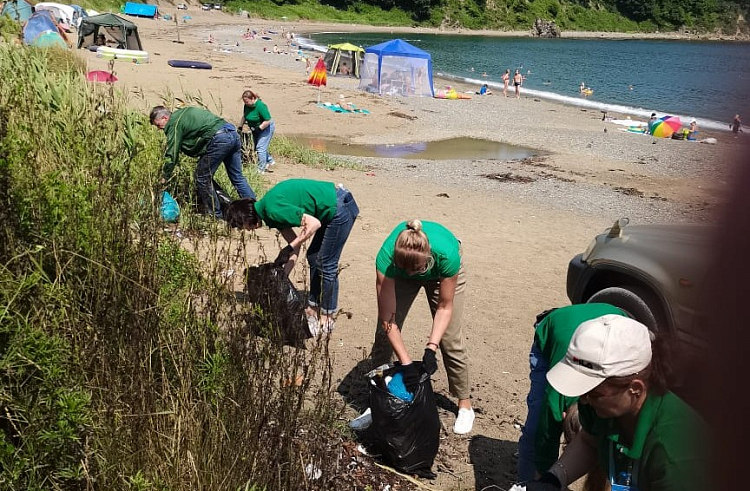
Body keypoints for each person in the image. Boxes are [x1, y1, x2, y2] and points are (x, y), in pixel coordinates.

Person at [525, 315, 708, 491]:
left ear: (635, 388)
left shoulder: (675, 455)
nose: (583, 399)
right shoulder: (601, 406)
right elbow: (590, 441)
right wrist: (554, 479)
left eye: (592, 393)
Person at [367, 220, 475, 434]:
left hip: (439, 274)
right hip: (403, 268)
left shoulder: (446, 256)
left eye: (417, 270)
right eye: (407, 270)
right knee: (382, 337)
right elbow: (388, 318)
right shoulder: (387, 259)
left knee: (450, 340)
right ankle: (376, 400)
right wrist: (406, 363)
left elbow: (445, 307)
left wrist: (430, 348)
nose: (414, 275)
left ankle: (465, 404)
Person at [224, 179, 359, 334]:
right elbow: (295, 248)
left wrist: (288, 247)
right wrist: (281, 276)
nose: (247, 230)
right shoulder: (269, 213)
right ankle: (313, 307)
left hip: (340, 207)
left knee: (326, 263)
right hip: (330, 208)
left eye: (243, 227)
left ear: (246, 219)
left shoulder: (273, 209)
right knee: (314, 257)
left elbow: (313, 224)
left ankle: (328, 316)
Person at [517, 303, 628, 482]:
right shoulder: (556, 398)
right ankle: (523, 483)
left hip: (614, 323)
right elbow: (544, 451)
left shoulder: (618, 398)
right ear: (562, 415)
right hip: (557, 325)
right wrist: (541, 483)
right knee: (535, 432)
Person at [149, 106, 255, 219]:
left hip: (219, 138)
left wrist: (165, 175)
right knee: (237, 177)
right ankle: (254, 210)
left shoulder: (173, 123)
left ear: (165, 118)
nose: (159, 129)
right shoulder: (182, 114)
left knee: (202, 177)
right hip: (232, 133)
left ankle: (216, 215)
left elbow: (172, 152)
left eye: (158, 125)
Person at [239, 90, 275, 173]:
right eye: (245, 102)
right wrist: (240, 126)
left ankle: (261, 169)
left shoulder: (260, 106)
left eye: (247, 102)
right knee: (256, 147)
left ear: (252, 98)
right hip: (254, 129)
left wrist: (259, 128)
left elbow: (268, 120)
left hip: (266, 128)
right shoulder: (247, 105)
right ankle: (269, 160)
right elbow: (244, 116)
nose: (246, 103)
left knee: (260, 148)